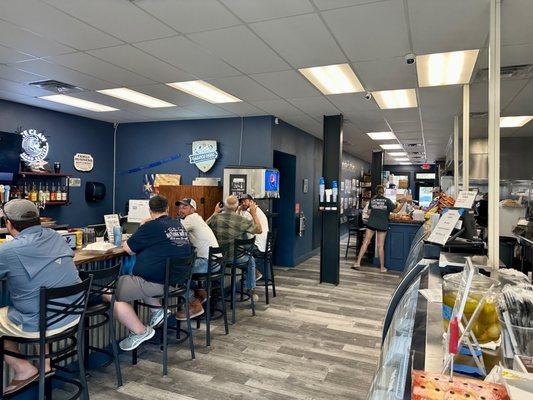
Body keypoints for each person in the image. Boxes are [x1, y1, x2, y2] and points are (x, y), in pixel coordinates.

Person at [0, 199, 81, 395]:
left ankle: (24, 369)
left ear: (8, 224)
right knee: (38, 302)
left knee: (31, 308)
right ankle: (45, 366)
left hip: (43, 322)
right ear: (38, 220)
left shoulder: (8, 250)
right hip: (72, 316)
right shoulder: (56, 237)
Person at [113, 195, 192, 352]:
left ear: (149, 210)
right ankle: (157, 311)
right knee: (143, 273)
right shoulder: (177, 224)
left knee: (109, 290)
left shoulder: (150, 227)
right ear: (167, 209)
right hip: (178, 282)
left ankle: (140, 331)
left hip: (158, 284)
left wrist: (143, 225)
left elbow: (128, 249)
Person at [207, 195, 262, 299]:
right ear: (237, 207)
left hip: (218, 259)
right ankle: (251, 290)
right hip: (235, 258)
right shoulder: (241, 220)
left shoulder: (215, 218)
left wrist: (215, 212)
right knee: (251, 260)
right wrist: (254, 213)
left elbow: (204, 226)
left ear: (224, 206)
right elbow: (259, 230)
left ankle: (215, 294)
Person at [176, 198, 219, 319]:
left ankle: (194, 303)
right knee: (185, 267)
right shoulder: (197, 218)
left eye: (185, 207)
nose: (181, 210)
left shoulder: (190, 219)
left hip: (206, 263)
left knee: (176, 271)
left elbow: (172, 231)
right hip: (215, 262)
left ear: (193, 209)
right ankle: (200, 293)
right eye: (179, 207)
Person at [352, 185, 403, 273]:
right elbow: (395, 211)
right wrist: (403, 203)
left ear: (376, 191)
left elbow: (368, 212)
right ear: (384, 191)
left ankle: (357, 263)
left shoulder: (372, 200)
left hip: (371, 223)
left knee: (366, 242)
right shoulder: (387, 201)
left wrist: (376, 211)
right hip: (382, 224)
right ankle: (382, 268)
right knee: (380, 246)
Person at [238, 194, 269, 281]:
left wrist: (238, 210)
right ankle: (251, 274)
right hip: (264, 245)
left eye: (245, 201)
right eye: (241, 201)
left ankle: (253, 273)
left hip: (257, 246)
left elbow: (238, 224)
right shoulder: (257, 210)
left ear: (251, 201)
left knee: (236, 250)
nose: (243, 203)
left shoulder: (250, 212)